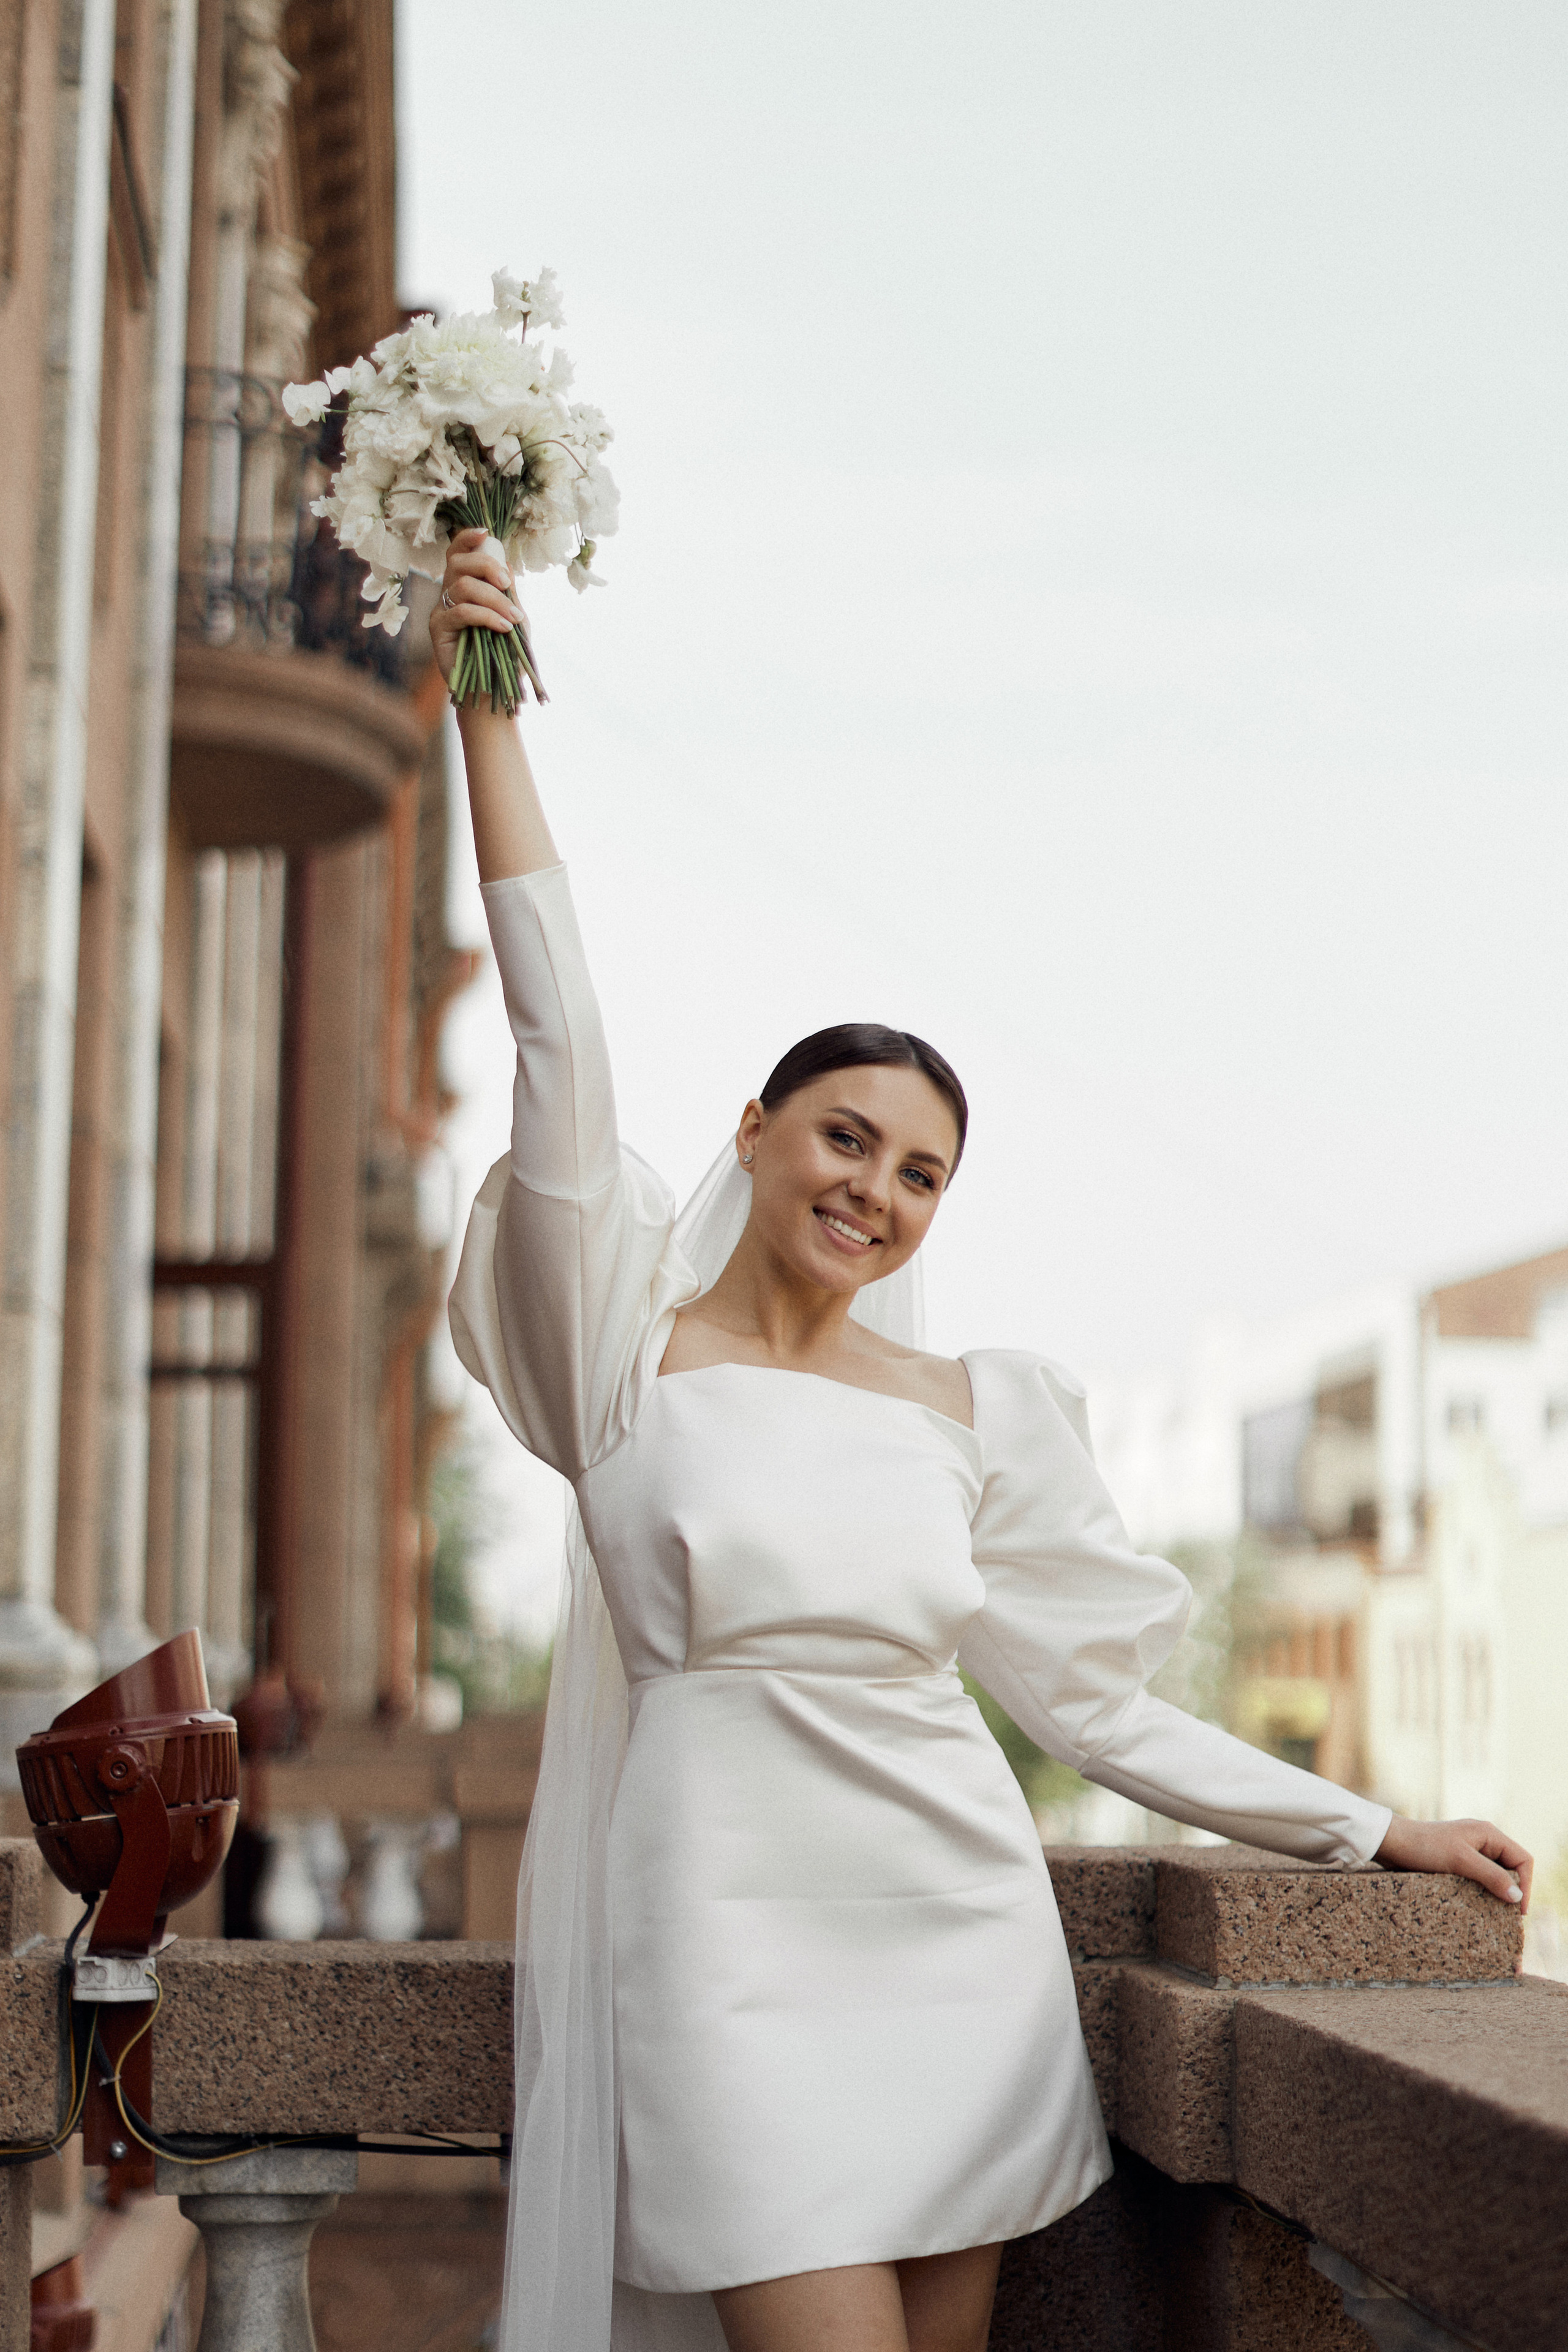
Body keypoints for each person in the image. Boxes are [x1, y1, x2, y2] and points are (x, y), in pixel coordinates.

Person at [434, 527, 1532, 2352]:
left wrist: (1372, 1828)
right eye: (847, 1138)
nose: (878, 1189)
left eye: (924, 1173)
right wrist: (487, 711)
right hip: (715, 1953)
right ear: (756, 1131)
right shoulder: (619, 1361)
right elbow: (556, 1038)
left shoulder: (974, 1412)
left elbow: (1097, 1712)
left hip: (956, 1936)